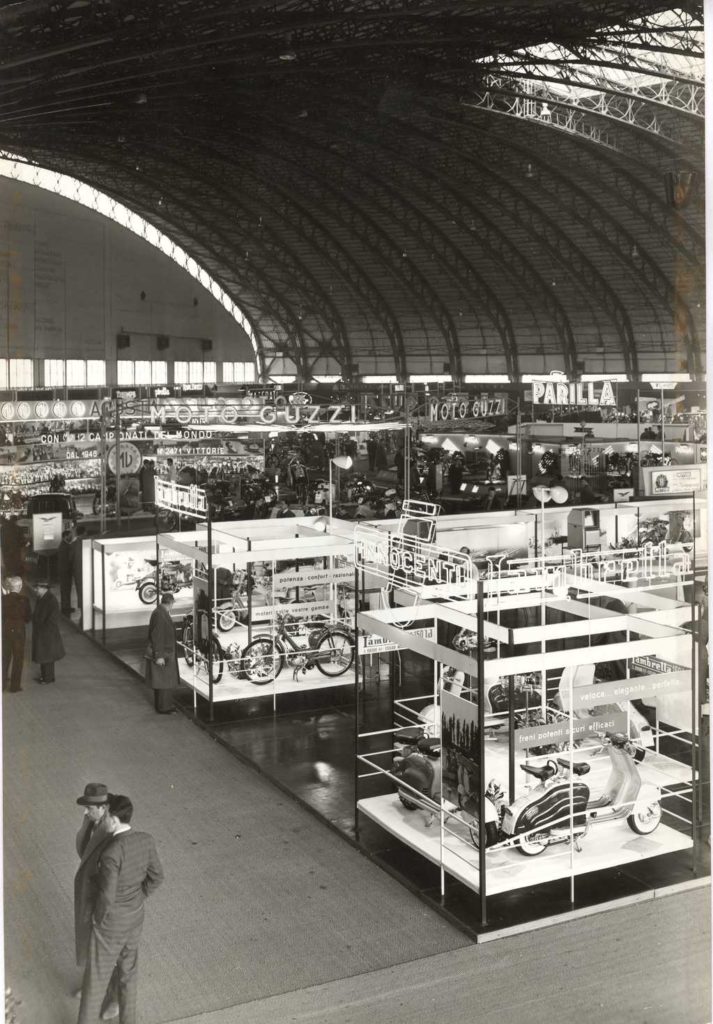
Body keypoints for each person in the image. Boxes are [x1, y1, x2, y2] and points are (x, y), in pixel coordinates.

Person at [77, 794, 164, 1024]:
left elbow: (107, 895)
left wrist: (98, 919)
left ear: (114, 819)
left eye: (106, 816)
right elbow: (157, 877)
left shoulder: (111, 852)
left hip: (110, 924)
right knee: (128, 973)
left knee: (95, 980)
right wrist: (137, 898)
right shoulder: (146, 840)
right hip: (135, 918)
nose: (103, 819)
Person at [73, 783, 119, 1020]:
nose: (85, 812)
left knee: (106, 950)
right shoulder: (92, 823)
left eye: (89, 808)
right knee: (91, 943)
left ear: (103, 808)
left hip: (101, 897)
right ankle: (93, 987)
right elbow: (83, 848)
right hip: (87, 892)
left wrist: (101, 906)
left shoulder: (111, 830)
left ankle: (115, 998)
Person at [144, 592, 180, 713]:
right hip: (164, 654)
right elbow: (157, 636)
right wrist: (159, 655)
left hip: (165, 653)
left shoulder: (160, 612)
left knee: (164, 681)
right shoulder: (160, 615)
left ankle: (165, 705)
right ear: (170, 603)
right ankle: (163, 707)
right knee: (164, 681)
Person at [32, 580, 65, 683]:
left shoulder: (51, 600)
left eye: (37, 588)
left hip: (47, 633)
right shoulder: (42, 598)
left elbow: (53, 618)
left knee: (47, 656)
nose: (35, 589)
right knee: (44, 655)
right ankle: (46, 676)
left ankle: (48, 678)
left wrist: (43, 628)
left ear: (44, 588)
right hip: (42, 632)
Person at [2, 576, 31, 692]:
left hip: (6, 630)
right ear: (19, 587)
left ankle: (2, 684)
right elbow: (28, 618)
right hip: (19, 632)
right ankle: (15, 686)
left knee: (4, 658)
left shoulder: (3, 599)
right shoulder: (24, 600)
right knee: (18, 659)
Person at [58, 528, 76, 615]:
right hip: (65, 572)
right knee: (65, 589)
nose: (71, 537)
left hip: (64, 571)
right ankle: (65, 608)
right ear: (65, 536)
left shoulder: (63, 545)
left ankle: (66, 607)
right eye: (70, 536)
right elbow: (68, 559)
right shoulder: (65, 546)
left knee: (66, 590)